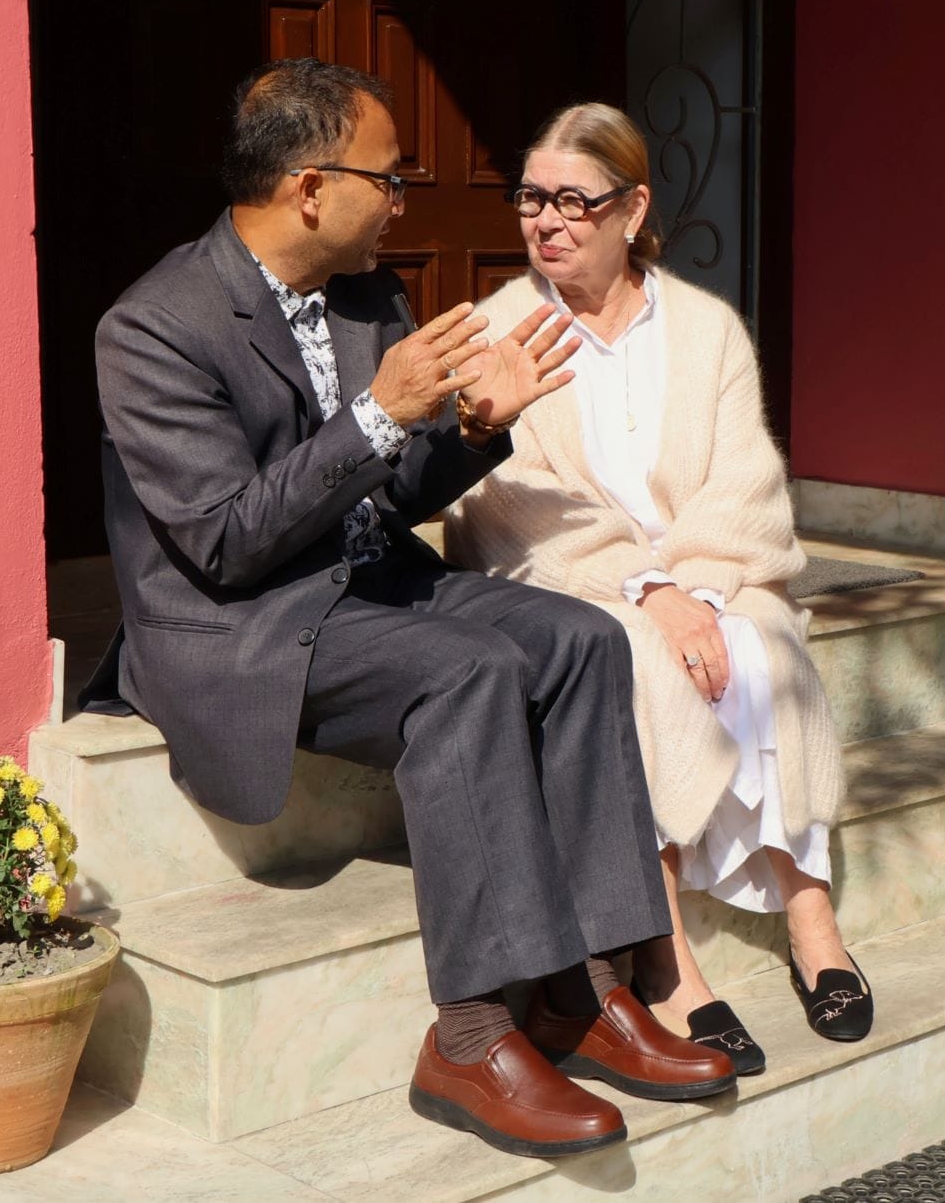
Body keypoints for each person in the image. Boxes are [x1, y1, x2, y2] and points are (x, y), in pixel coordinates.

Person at [84, 61, 734, 1158]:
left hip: (364, 581)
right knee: (466, 669)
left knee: (579, 637)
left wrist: (473, 429)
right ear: (306, 187)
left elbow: (391, 487)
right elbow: (226, 541)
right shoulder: (153, 327)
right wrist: (376, 418)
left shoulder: (364, 296)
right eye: (386, 179)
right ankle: (472, 1034)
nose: (400, 202)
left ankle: (583, 990)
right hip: (241, 625)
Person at [447, 102, 874, 1075]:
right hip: (581, 575)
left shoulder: (704, 329)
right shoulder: (500, 327)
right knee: (640, 659)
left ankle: (810, 917)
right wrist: (648, 588)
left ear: (632, 209)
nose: (544, 221)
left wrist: (700, 586)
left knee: (767, 640)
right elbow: (504, 499)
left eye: (571, 201)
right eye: (530, 200)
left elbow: (747, 482)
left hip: (704, 565)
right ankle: (668, 959)